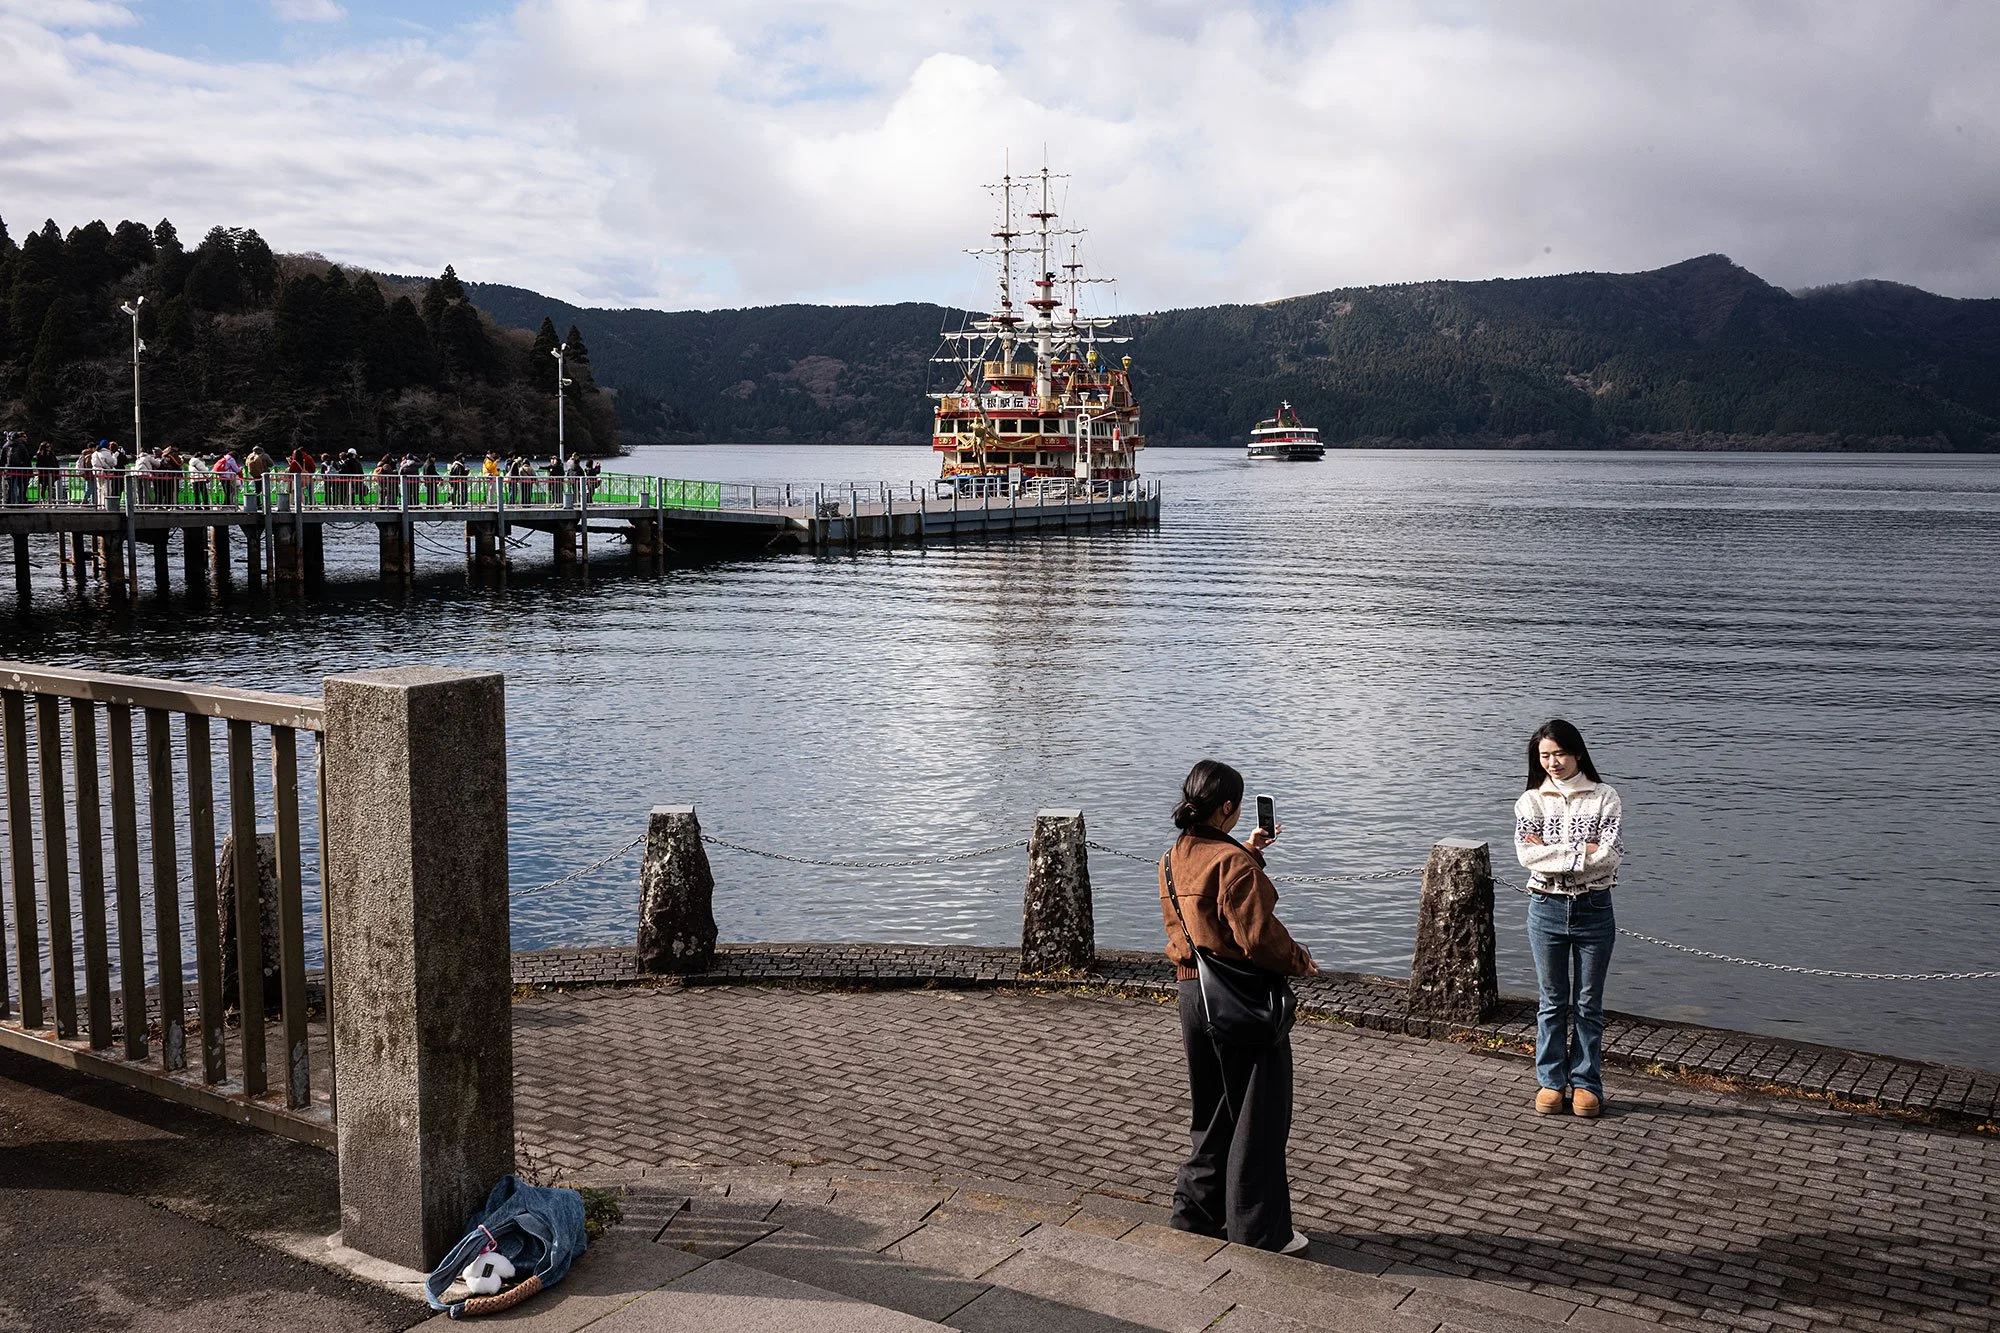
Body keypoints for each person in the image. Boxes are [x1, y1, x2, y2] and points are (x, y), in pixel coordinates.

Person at [1159, 759, 1316, 1255]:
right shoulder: (1232, 865)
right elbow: (1257, 937)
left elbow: (1206, 901)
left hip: (1193, 994)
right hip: (1240, 1000)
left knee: (1212, 1113)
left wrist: (1249, 850)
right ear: (1228, 807)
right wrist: (1299, 960)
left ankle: (1196, 1215)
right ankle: (1260, 1231)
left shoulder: (1174, 855)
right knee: (1258, 1115)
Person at [1514, 719, 1624, 1119]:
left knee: (1589, 1002)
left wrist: (1556, 853)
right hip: (1545, 907)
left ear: (1577, 752)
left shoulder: (1605, 796)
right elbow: (1527, 857)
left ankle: (1586, 1083)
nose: (1552, 762)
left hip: (1595, 909)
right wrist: (1582, 851)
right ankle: (1551, 1081)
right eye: (1544, 755)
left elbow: (1610, 855)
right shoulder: (1531, 801)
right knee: (1552, 1001)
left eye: (1559, 753)